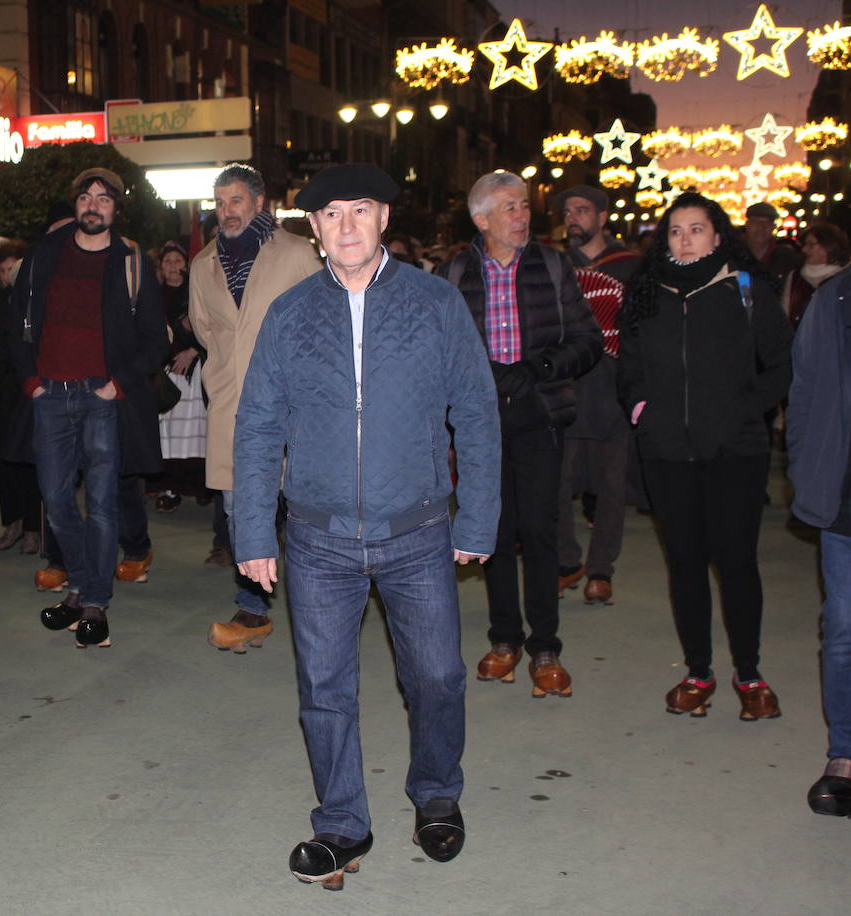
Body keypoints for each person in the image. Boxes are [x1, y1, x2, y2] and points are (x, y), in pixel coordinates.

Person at [233, 163, 501, 886]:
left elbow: (475, 411)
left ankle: (437, 792)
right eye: (330, 215)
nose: (345, 226)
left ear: (383, 218)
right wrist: (254, 532)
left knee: (439, 676)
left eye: (360, 211)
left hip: (416, 529)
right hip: (317, 537)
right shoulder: (290, 315)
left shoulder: (435, 303)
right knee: (324, 687)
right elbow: (258, 423)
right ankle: (343, 825)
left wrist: (476, 514)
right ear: (314, 230)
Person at [618, 192, 792, 720]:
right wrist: (642, 407)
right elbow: (628, 365)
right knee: (686, 563)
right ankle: (699, 672)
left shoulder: (745, 289)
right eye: (675, 231)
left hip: (735, 450)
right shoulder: (647, 293)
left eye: (696, 229)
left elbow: (782, 364)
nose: (685, 239)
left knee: (736, 562)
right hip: (667, 451)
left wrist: (745, 411)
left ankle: (749, 673)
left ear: (718, 235)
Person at [438, 172, 601, 697]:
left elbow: (587, 340)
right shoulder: (455, 272)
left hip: (539, 411)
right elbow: (438, 350)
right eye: (510, 208)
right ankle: (504, 640)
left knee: (540, 529)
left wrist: (539, 367)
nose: (522, 216)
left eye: (525, 206)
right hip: (480, 417)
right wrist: (483, 373)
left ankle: (545, 647)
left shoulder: (554, 266)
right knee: (493, 529)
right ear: (482, 219)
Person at [8, 167, 167, 648]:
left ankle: (93, 601)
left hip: (101, 396)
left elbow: (155, 338)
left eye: (103, 198)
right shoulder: (45, 253)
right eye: (85, 197)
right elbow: (16, 321)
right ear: (75, 204)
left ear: (117, 208)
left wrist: (117, 385)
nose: (93, 205)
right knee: (56, 502)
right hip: (49, 395)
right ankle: (82, 586)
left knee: (100, 506)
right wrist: (31, 382)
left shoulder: (131, 261)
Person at [188, 162, 321, 652]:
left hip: (293, 404)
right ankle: (252, 609)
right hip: (232, 405)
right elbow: (204, 329)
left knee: (303, 509)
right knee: (242, 509)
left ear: (259, 203)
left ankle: (316, 604)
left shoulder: (296, 253)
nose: (227, 212)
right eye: (220, 204)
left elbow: (323, 319)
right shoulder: (202, 265)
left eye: (236, 201)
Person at [787, 255, 851, 819]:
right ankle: (849, 755)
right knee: (846, 634)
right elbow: (806, 392)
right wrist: (806, 467)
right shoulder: (842, 296)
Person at [554, 185, 641, 607]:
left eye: (582, 210)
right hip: (565, 389)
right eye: (568, 211)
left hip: (613, 389)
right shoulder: (553, 265)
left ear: (602, 217)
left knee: (611, 486)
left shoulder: (632, 267)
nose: (574, 218)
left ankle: (601, 570)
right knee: (555, 482)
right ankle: (568, 560)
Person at [0, 243, 40, 553]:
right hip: (0, 392)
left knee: (28, 461)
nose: (6, 275)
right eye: (1, 270)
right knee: (2, 462)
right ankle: (11, 521)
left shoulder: (35, 301)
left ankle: (32, 527)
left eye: (11, 269)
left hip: (28, 391)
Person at [154, 240, 206, 513]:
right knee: (168, 437)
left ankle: (202, 486)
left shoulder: (195, 292)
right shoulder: (154, 294)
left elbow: (209, 326)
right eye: (167, 261)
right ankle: (171, 489)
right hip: (165, 372)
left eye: (177, 261)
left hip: (192, 370)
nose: (173, 266)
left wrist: (192, 351)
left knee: (197, 433)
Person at [782, 221, 850, 329]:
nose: (804, 249)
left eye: (811, 244)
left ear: (828, 246)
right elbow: (785, 316)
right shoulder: (795, 277)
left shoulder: (845, 278)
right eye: (805, 244)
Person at [742, 201, 802, 294]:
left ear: (774, 227)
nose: (761, 227)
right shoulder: (732, 255)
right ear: (747, 225)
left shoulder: (787, 258)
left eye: (767, 223)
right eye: (756, 222)